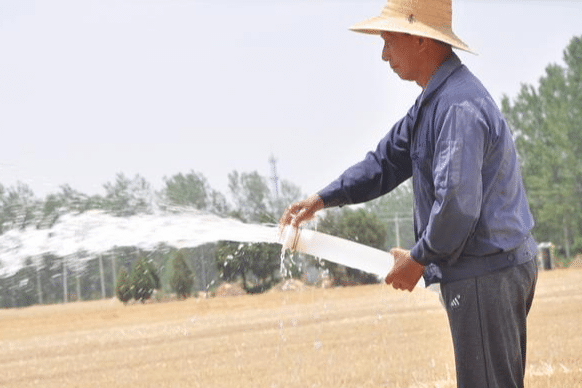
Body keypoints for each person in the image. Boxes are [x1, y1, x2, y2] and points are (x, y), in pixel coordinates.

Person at [278, 0, 538, 387]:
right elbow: (384, 162)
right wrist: (321, 199)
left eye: (388, 40)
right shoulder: (434, 103)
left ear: (420, 40)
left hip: (486, 274)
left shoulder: (457, 107)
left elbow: (457, 205)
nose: (384, 55)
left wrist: (418, 258)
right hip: (487, 272)